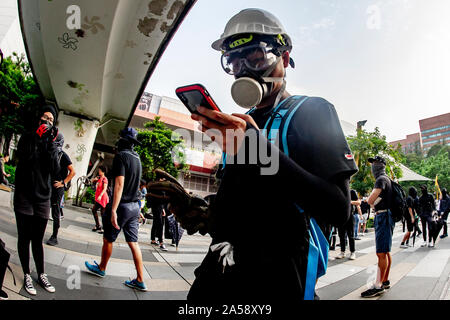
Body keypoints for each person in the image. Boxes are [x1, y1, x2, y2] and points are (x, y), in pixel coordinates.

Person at [185, 8, 358, 301]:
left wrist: (256, 149)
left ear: (285, 58)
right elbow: (244, 203)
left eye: (255, 56)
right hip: (221, 270)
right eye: (233, 61)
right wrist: (203, 212)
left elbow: (339, 210)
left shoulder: (313, 111)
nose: (243, 69)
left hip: (278, 277)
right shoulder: (241, 123)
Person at [84, 128, 147, 291]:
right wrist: (138, 208)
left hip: (122, 206)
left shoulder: (121, 156)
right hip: (134, 206)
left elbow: (119, 185)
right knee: (134, 243)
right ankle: (140, 279)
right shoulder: (137, 158)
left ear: (123, 141)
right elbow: (137, 185)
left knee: (108, 239)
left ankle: (102, 268)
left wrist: (113, 210)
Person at [14, 104, 60, 295]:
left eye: (50, 120)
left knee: (38, 239)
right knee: (24, 237)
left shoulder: (52, 143)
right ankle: (26, 273)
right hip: (24, 195)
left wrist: (49, 143)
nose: (47, 122)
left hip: (42, 197)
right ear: (38, 119)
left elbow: (55, 170)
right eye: (44, 118)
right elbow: (24, 158)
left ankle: (41, 273)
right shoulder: (27, 137)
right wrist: (36, 137)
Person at [361, 156, 394, 298]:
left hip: (383, 217)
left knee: (381, 252)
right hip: (386, 216)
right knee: (385, 251)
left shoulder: (381, 179)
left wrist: (369, 200)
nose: (372, 166)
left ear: (380, 165)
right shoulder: (387, 179)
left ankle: (378, 285)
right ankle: (385, 280)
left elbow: (370, 200)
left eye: (374, 163)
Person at [46, 133, 76, 246]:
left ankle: (54, 236)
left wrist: (63, 183)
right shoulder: (49, 153)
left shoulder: (63, 155)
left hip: (57, 187)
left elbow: (73, 171)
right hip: (48, 185)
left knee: (55, 211)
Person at [336, 189, 358, 260]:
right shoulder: (338, 191)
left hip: (350, 216)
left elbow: (358, 202)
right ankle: (342, 252)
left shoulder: (352, 192)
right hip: (340, 216)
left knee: (351, 235)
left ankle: (352, 252)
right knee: (341, 235)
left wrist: (349, 202)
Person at [149, 183, 168, 251]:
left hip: (155, 208)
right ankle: (161, 242)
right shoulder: (160, 189)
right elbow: (162, 199)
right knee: (160, 224)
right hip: (158, 208)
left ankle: (153, 239)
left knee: (155, 223)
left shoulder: (155, 188)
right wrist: (163, 208)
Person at [90, 166, 109, 233]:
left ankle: (104, 228)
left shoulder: (105, 179)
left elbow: (104, 189)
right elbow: (92, 182)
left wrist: (100, 196)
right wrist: (94, 180)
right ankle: (98, 225)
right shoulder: (99, 178)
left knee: (102, 213)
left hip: (103, 197)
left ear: (103, 171)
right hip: (98, 197)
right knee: (94, 210)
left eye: (100, 170)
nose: (99, 171)